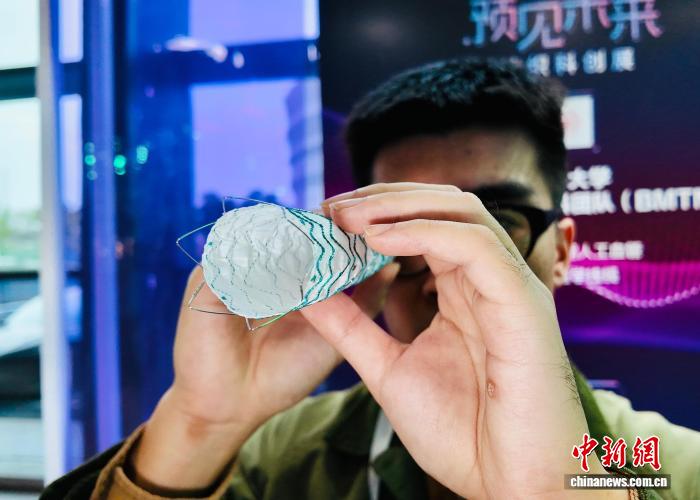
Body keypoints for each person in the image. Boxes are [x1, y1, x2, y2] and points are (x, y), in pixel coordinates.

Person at [42, 58, 699, 500]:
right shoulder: (282, 456)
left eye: (497, 226)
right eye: (411, 232)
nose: (447, 273)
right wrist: (201, 423)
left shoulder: (674, 468)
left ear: (562, 251)